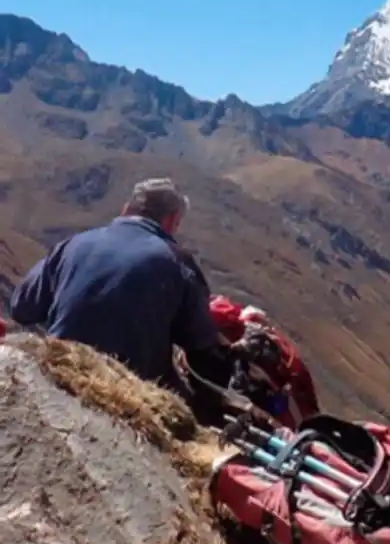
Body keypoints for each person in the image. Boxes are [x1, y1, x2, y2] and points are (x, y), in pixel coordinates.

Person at [8, 177, 238, 396]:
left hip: (59, 368)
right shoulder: (177, 262)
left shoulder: (72, 244)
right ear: (171, 221)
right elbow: (201, 346)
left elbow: (21, 308)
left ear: (126, 209)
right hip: (130, 390)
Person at [207, 294, 321, 429]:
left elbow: (239, 388)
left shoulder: (246, 352)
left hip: (286, 402)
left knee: (300, 431)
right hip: (296, 389)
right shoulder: (252, 325)